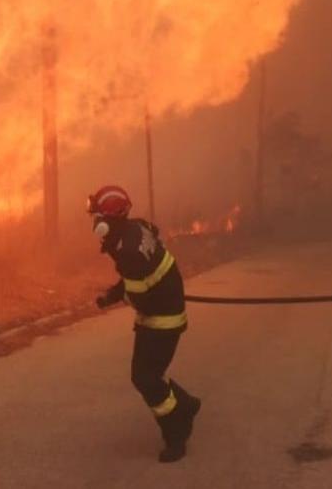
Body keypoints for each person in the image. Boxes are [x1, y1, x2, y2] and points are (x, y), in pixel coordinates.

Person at [90, 185, 202, 462]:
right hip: (160, 311)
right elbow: (137, 275)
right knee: (148, 374)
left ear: (110, 220)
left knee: (146, 378)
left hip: (162, 319)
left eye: (98, 218)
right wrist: (112, 295)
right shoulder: (135, 229)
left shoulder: (127, 250)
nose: (95, 224)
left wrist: (123, 296)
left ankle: (177, 432)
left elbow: (139, 295)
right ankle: (186, 403)